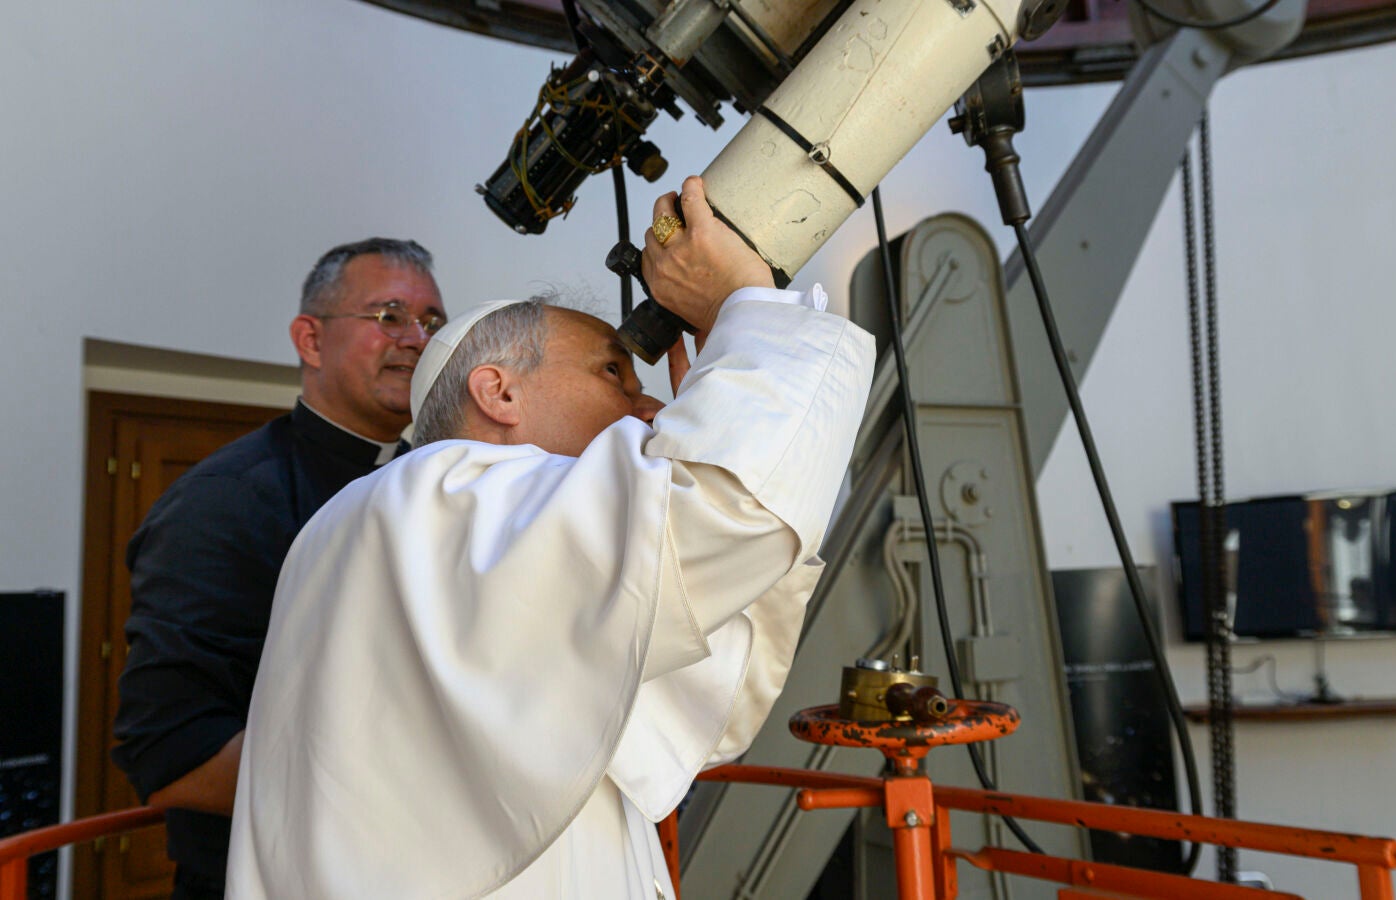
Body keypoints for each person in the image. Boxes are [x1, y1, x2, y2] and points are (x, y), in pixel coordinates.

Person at [225, 176, 874, 899]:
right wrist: (745, 310)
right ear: (498, 392)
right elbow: (726, 516)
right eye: (614, 374)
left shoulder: (445, 522)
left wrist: (723, 405)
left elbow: (705, 698)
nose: (650, 406)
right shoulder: (437, 495)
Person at [111, 238, 447, 899]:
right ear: (310, 340)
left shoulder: (444, 482)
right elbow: (173, 751)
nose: (416, 339)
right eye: (389, 316)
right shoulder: (225, 501)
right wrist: (421, 790)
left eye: (432, 321)